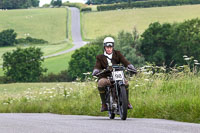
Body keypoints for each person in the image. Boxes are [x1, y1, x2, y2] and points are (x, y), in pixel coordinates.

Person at [92, 37, 137, 112]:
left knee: (125, 82)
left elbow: (125, 61)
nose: (109, 49)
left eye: (110, 47)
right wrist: (96, 71)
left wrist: (130, 67)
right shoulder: (100, 57)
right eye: (107, 47)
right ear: (104, 47)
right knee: (101, 82)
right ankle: (104, 104)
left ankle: (127, 102)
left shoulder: (118, 54)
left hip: (117, 75)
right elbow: (97, 66)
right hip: (106, 77)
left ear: (113, 47)